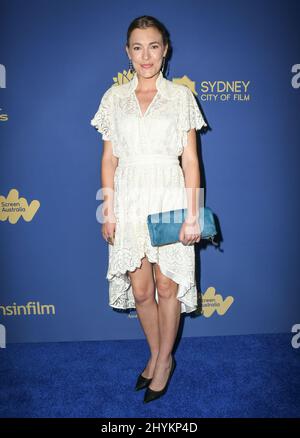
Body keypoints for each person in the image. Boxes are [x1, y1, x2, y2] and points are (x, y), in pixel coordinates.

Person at [90, 15, 207, 403]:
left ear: (165, 49)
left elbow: (190, 161)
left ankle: (162, 361)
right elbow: (109, 160)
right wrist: (108, 208)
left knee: (166, 284)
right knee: (141, 291)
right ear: (127, 52)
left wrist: (193, 212)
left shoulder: (180, 97)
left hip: (170, 195)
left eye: (153, 46)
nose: (146, 55)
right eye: (137, 47)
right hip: (128, 199)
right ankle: (159, 355)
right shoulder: (113, 99)